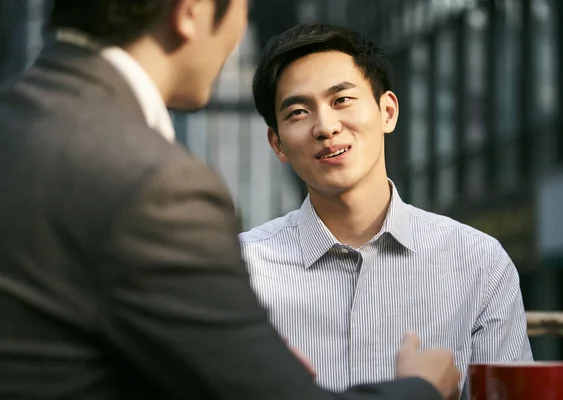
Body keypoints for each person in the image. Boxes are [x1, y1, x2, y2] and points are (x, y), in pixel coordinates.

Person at [0, 1, 461, 399]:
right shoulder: (153, 183)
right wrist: (420, 388)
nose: (240, 30)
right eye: (243, 7)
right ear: (191, 12)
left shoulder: (24, 122)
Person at [240, 22, 533, 394]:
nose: (325, 126)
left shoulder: (478, 263)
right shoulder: (241, 271)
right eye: (298, 112)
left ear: (387, 112)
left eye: (342, 100)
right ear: (277, 144)